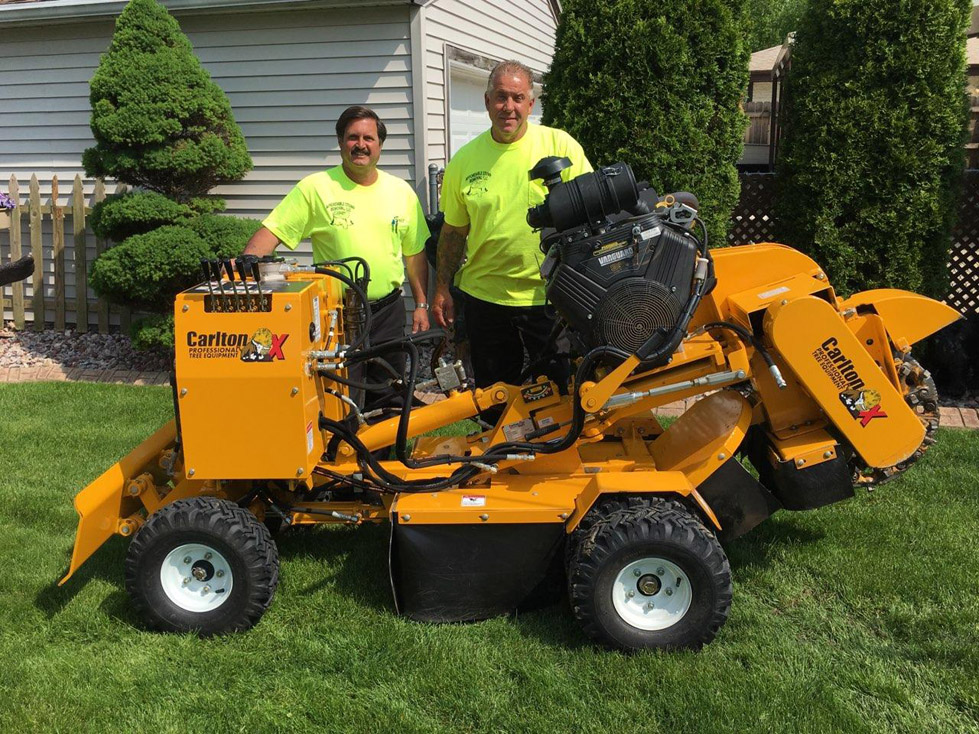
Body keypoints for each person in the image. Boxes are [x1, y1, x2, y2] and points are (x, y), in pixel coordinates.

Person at [243, 105, 430, 410]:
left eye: (368, 138)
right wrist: (248, 260)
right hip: (338, 315)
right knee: (341, 396)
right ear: (341, 142)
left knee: (390, 390)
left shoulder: (401, 192)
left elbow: (414, 254)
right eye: (352, 137)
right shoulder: (316, 189)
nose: (361, 144)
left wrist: (421, 304)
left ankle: (384, 456)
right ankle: (340, 453)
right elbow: (273, 230)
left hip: (388, 312)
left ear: (380, 145)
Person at [431, 60, 592, 395]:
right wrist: (442, 287)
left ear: (531, 104)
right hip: (485, 299)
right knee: (495, 396)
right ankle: (501, 448)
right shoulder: (464, 160)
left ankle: (554, 449)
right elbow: (453, 232)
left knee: (561, 394)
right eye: (501, 97)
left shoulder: (561, 147)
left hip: (550, 297)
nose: (509, 107)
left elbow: (591, 216)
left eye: (518, 98)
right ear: (487, 101)